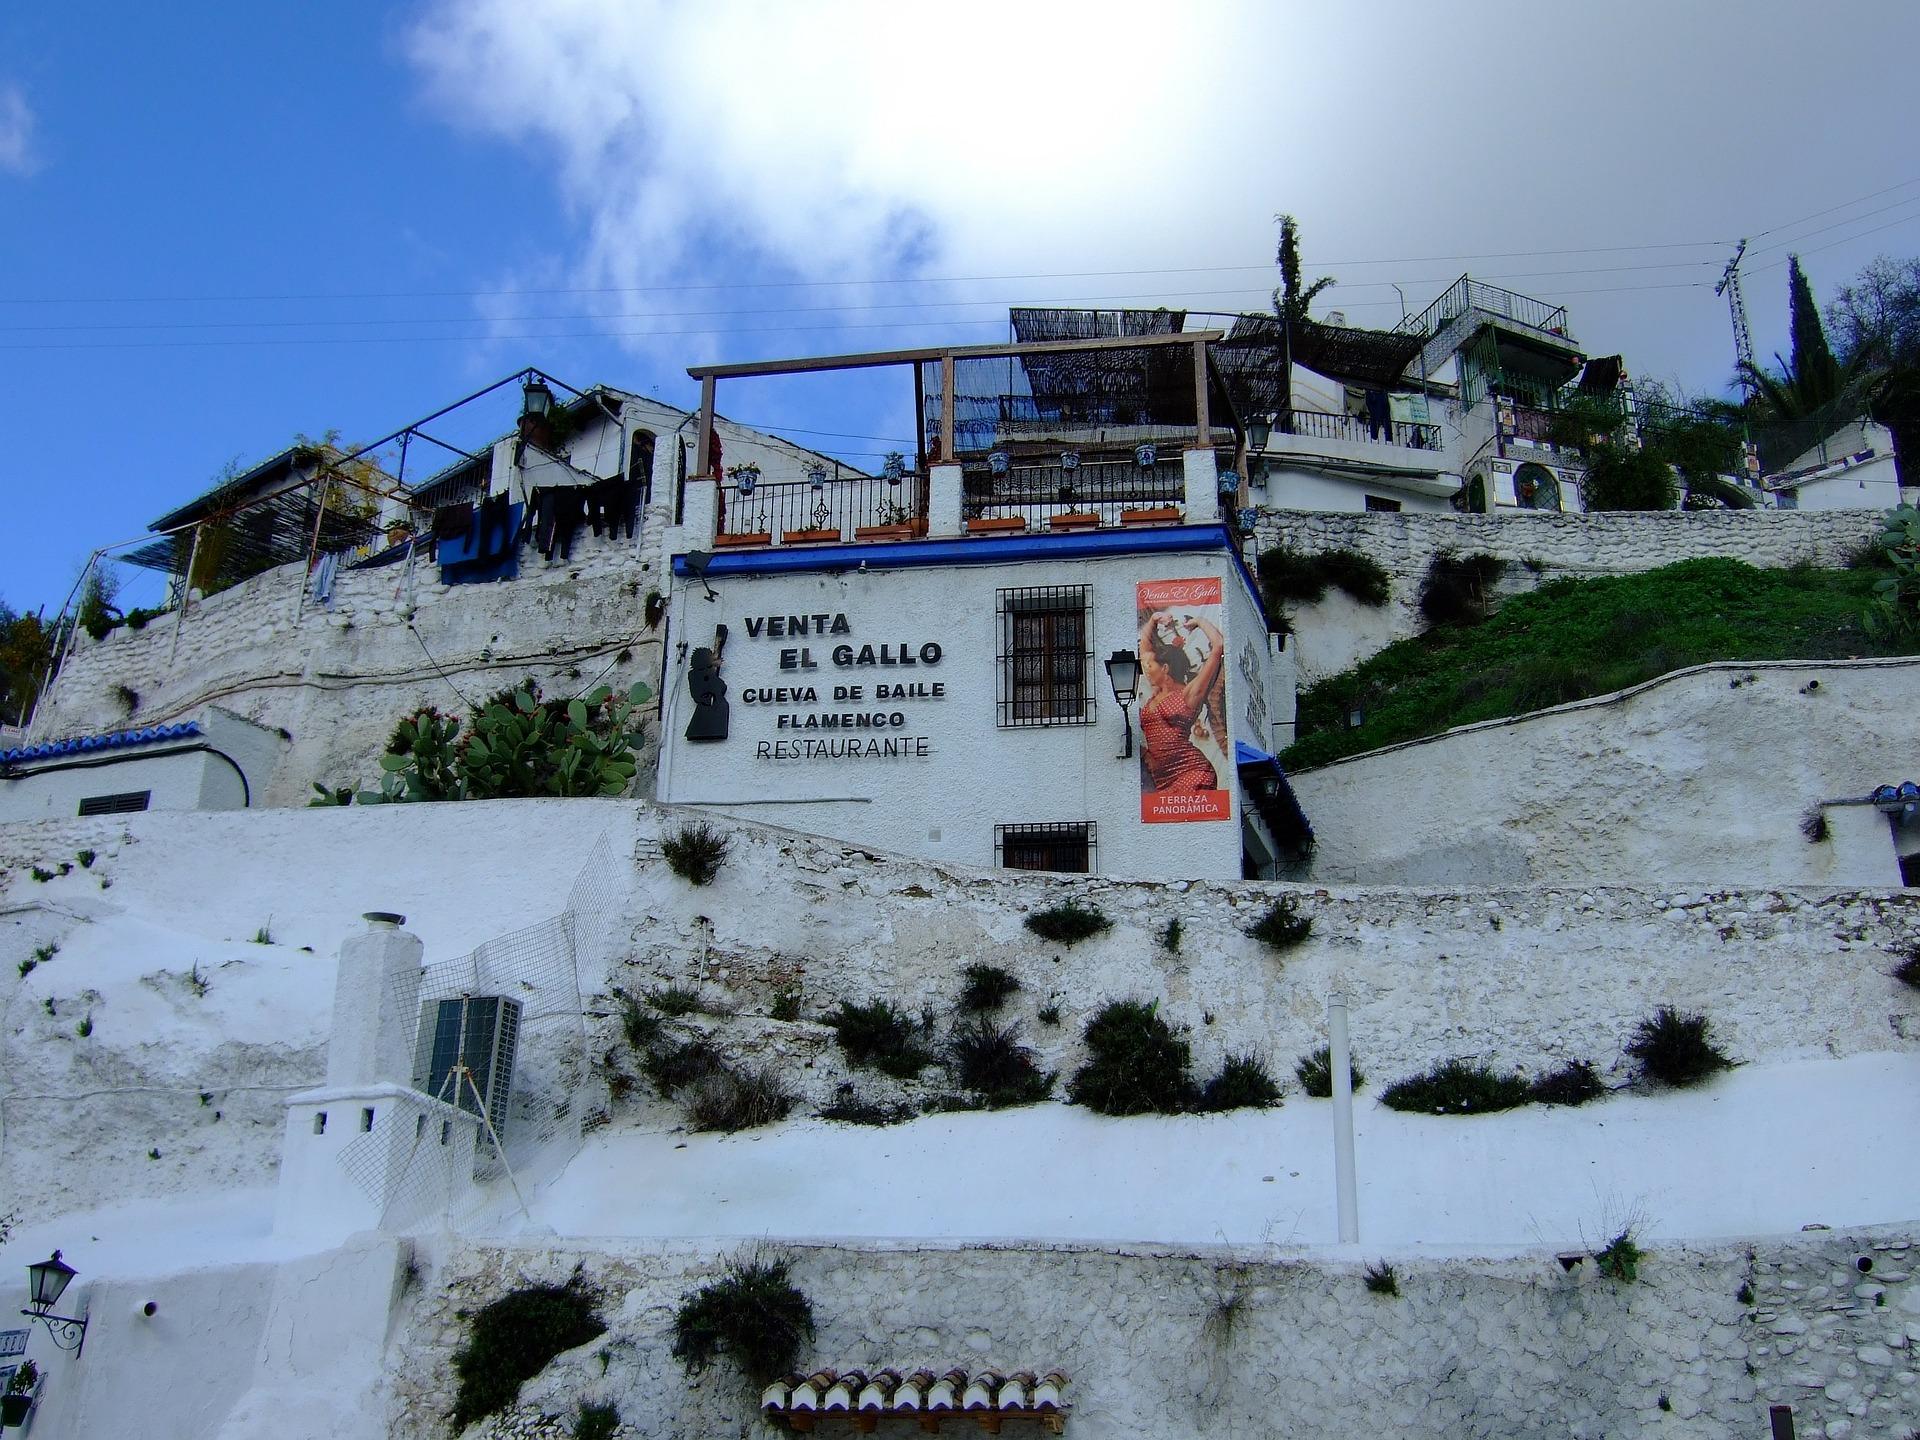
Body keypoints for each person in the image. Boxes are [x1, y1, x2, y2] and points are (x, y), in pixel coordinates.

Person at [1138, 608, 1225, 795]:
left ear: (1165, 668)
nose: (1146, 669)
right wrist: (1153, 620)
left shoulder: (1188, 694)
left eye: (1151, 666)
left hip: (1191, 772)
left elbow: (1218, 647)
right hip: (1162, 779)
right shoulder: (1156, 692)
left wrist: (1200, 621)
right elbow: (1145, 650)